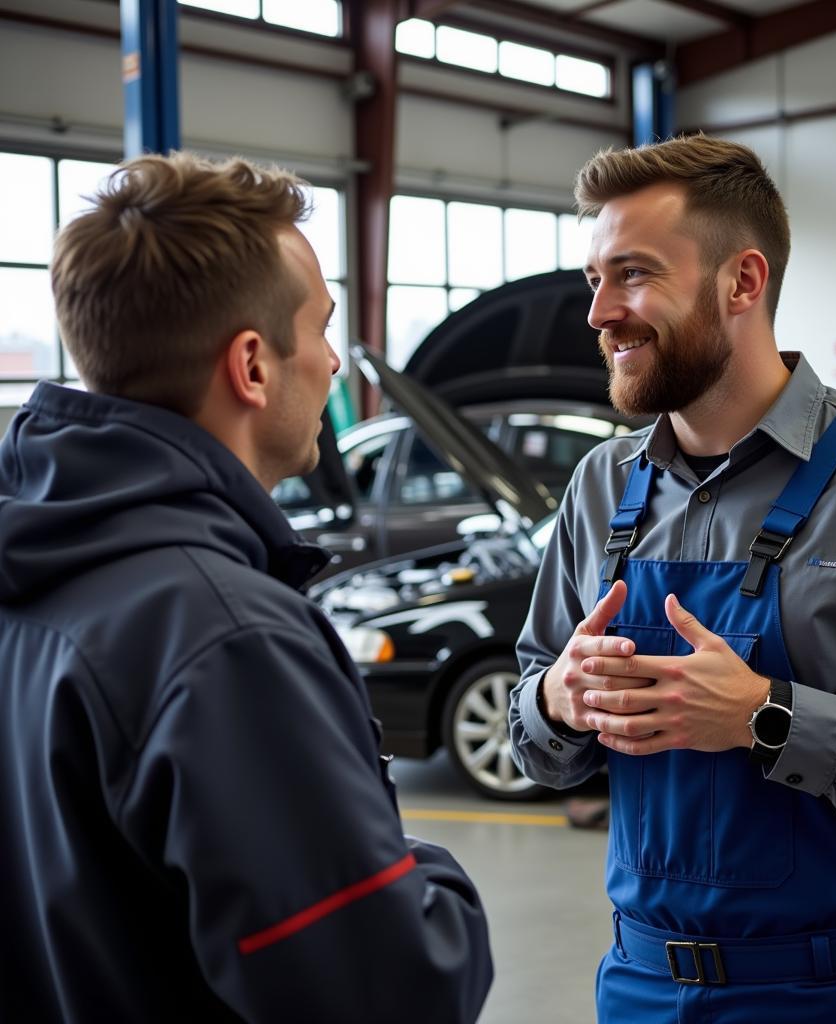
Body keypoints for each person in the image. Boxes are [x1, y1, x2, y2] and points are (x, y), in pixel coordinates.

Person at [509, 134, 836, 1022]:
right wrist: (557, 699)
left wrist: (767, 717)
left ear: (743, 282)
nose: (598, 313)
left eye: (631, 274)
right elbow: (533, 733)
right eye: (594, 278)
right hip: (639, 985)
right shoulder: (601, 486)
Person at [0, 152, 492, 1023]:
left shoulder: (33, 573)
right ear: (253, 366)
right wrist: (421, 870)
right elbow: (390, 992)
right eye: (323, 327)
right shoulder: (226, 639)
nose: (337, 363)